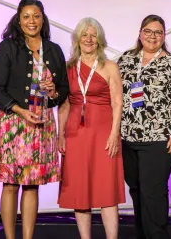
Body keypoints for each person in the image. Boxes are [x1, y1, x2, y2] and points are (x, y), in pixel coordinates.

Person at [0, 0, 69, 239]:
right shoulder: (9, 47)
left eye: (36, 16)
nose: (31, 21)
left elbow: (63, 90)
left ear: (42, 19)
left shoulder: (53, 50)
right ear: (18, 19)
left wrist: (53, 91)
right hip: (14, 123)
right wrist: (21, 111)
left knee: (32, 184)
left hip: (41, 124)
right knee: (11, 184)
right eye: (26, 16)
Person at [117, 14, 171, 239]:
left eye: (158, 32)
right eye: (148, 31)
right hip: (128, 137)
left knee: (153, 191)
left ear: (164, 36)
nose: (152, 36)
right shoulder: (125, 60)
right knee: (137, 190)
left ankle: (157, 235)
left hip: (158, 138)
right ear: (140, 34)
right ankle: (143, 234)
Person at [57, 18, 125, 239]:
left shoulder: (110, 66)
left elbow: (117, 102)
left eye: (93, 35)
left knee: (107, 191)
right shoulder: (67, 68)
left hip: (104, 133)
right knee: (79, 192)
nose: (88, 39)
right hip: (75, 134)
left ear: (99, 40)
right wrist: (60, 135)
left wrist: (115, 134)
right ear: (77, 39)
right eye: (84, 35)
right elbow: (65, 104)